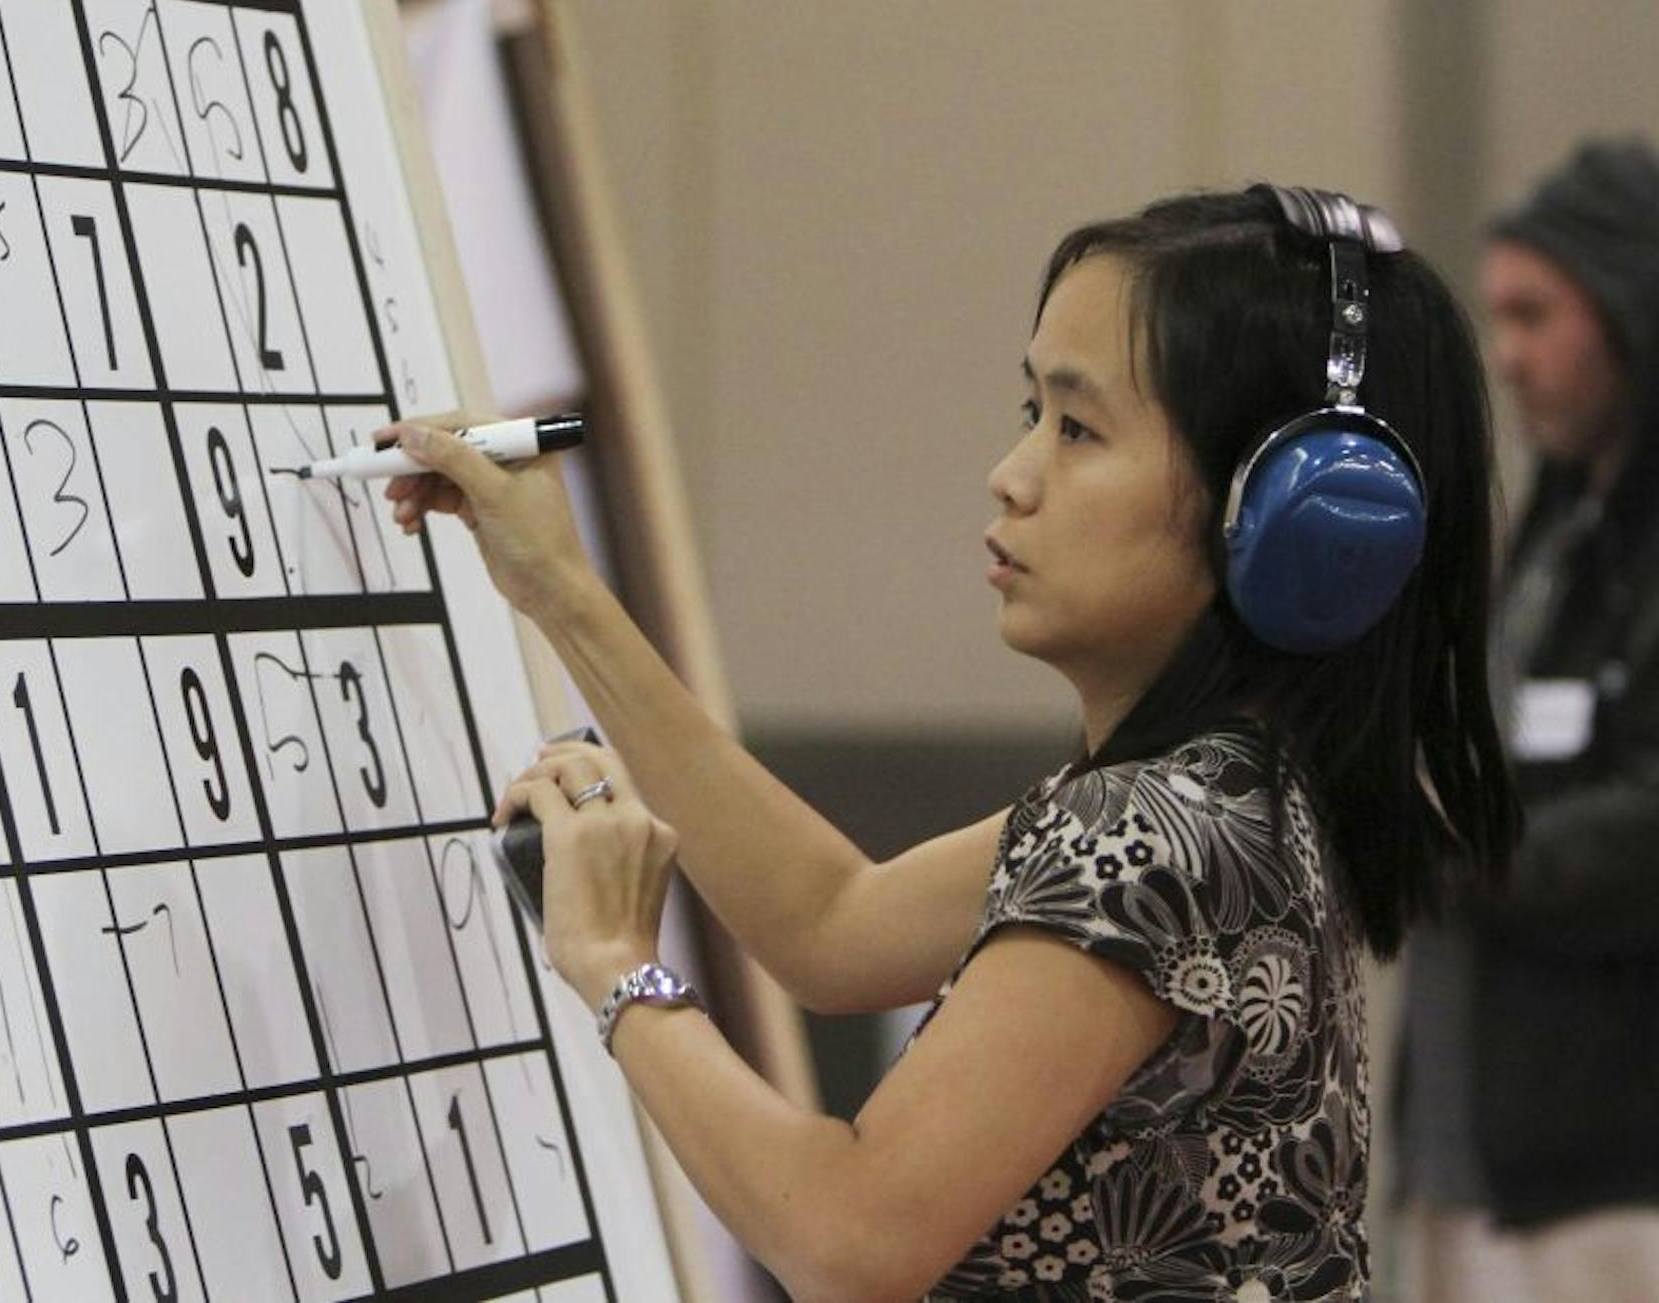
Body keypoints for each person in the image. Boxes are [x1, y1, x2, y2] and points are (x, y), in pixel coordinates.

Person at [382, 184, 1519, 1301]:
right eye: (1034, 415)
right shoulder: (1222, 798)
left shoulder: (1150, 838)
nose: (1012, 475)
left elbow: (848, 1240)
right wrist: (565, 592)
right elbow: (833, 926)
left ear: (1280, 516)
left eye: (1080, 429)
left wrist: (616, 964)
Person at [1395, 137, 1659, 1302]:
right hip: (1466, 1154)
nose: (1506, 357)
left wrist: (1455, 851)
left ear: (1627, 305)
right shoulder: (1552, 543)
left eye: (1534, 314)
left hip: (1610, 1177)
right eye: (1494, 319)